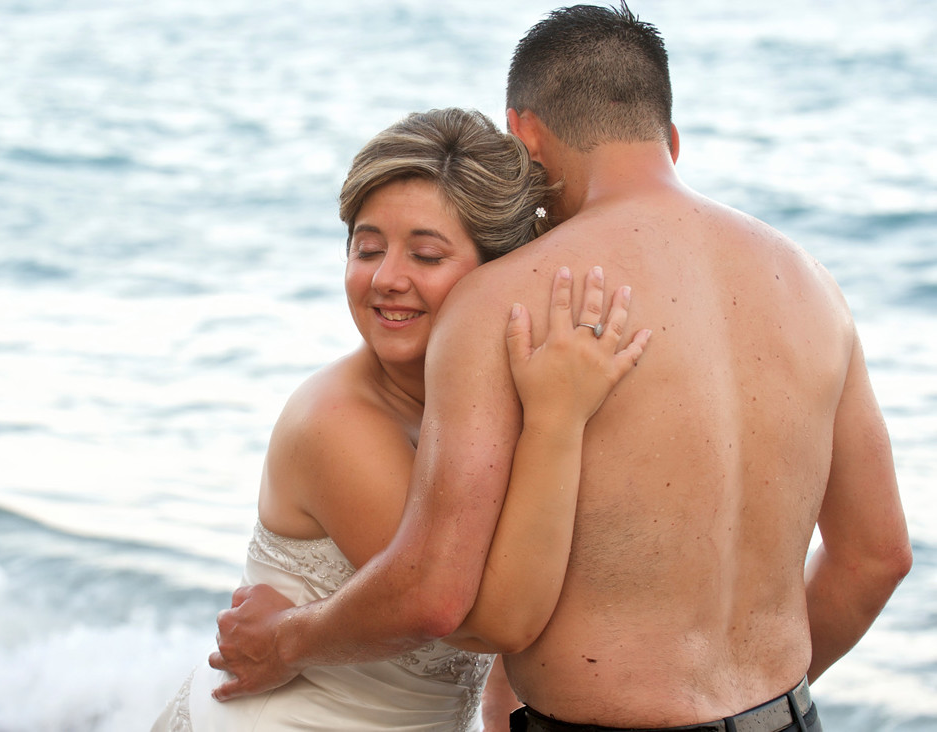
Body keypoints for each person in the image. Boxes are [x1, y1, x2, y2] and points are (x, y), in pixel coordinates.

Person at [209, 4, 913, 731]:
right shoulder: (813, 286)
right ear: (670, 139)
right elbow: (877, 558)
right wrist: (758, 706)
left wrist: (288, 639)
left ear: (524, 137)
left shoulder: (509, 301)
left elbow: (444, 598)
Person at [152, 107, 650, 731]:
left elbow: (509, 644)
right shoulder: (334, 423)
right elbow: (485, 619)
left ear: (500, 272)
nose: (387, 279)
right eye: (367, 249)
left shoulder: (493, 406)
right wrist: (560, 419)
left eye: (425, 255)